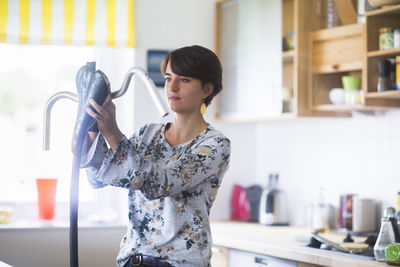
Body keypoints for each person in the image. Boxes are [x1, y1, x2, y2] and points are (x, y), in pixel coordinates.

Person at [81, 45, 231, 267]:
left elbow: (159, 183)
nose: (172, 86)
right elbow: (98, 177)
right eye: (169, 77)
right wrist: (94, 126)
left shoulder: (215, 144)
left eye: (184, 79)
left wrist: (112, 131)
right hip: (133, 260)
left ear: (207, 89)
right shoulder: (147, 134)